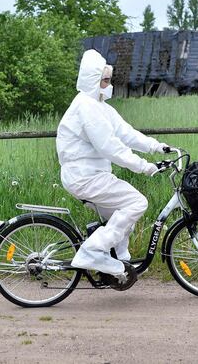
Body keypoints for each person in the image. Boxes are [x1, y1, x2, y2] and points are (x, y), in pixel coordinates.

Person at [56, 49, 171, 276]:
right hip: (85, 177)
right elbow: (109, 146)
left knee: (123, 216)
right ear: (93, 80)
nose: (110, 85)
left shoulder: (99, 105)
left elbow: (125, 133)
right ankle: (92, 252)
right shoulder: (87, 107)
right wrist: (144, 166)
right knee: (136, 203)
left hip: (90, 175)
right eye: (105, 80)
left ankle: (121, 263)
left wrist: (157, 146)